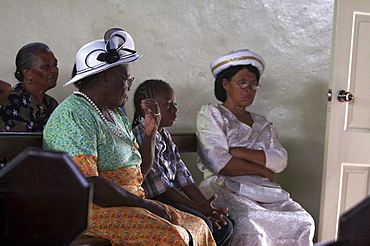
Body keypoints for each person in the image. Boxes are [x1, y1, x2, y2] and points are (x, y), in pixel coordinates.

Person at [43, 28, 216, 246]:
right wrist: (145, 205)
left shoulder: (115, 114)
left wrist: (150, 135)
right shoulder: (73, 115)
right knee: (171, 236)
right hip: (90, 212)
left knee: (197, 225)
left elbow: (138, 174)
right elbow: (88, 185)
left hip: (126, 204)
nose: (129, 86)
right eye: (126, 79)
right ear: (104, 78)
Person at [196, 49, 315, 246]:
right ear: (225, 84)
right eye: (242, 82)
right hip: (224, 187)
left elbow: (280, 161)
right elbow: (218, 162)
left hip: (264, 191)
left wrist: (238, 152)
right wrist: (261, 168)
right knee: (250, 221)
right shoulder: (212, 114)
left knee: (303, 219)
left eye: (253, 84)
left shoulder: (262, 123)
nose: (248, 89)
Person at [132, 79, 234, 246]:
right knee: (204, 224)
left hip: (173, 198)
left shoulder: (164, 136)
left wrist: (206, 206)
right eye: (168, 105)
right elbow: (162, 188)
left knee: (225, 225)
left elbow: (184, 178)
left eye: (175, 104)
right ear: (148, 109)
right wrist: (197, 208)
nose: (175, 110)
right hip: (156, 202)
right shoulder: (141, 135)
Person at [0, 42, 59, 132]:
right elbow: (14, 143)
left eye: (55, 65)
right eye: (46, 66)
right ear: (27, 73)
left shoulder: (51, 103)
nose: (54, 70)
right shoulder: (15, 102)